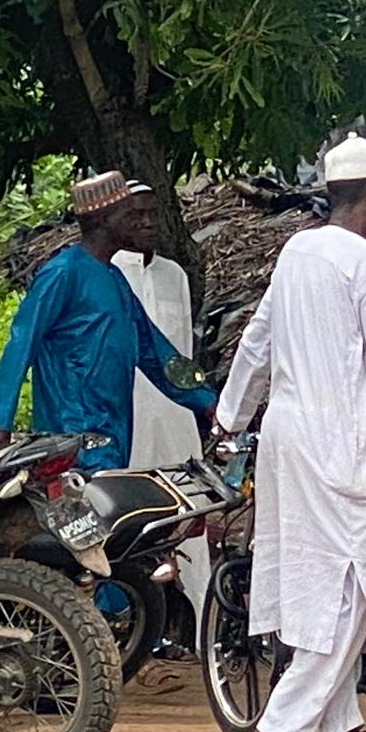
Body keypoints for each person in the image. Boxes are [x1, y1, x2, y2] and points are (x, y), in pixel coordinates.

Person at [216, 136, 366, 732]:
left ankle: (340, 724)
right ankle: (282, 728)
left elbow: (257, 340)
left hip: (287, 440)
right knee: (356, 588)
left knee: (320, 581)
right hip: (339, 443)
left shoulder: (297, 252)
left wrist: (231, 415)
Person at [0, 173, 216, 471]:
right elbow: (21, 345)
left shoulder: (115, 279)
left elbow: (157, 354)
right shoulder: (63, 273)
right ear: (105, 220)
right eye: (130, 215)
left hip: (115, 433)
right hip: (71, 436)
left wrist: (207, 401)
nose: (140, 223)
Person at [114, 217, 209, 617]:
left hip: (175, 419)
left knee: (189, 514)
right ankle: (127, 618)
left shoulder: (175, 275)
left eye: (154, 213)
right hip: (129, 417)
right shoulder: (109, 273)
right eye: (138, 214)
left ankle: (202, 619)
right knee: (126, 520)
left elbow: (180, 351)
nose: (149, 223)